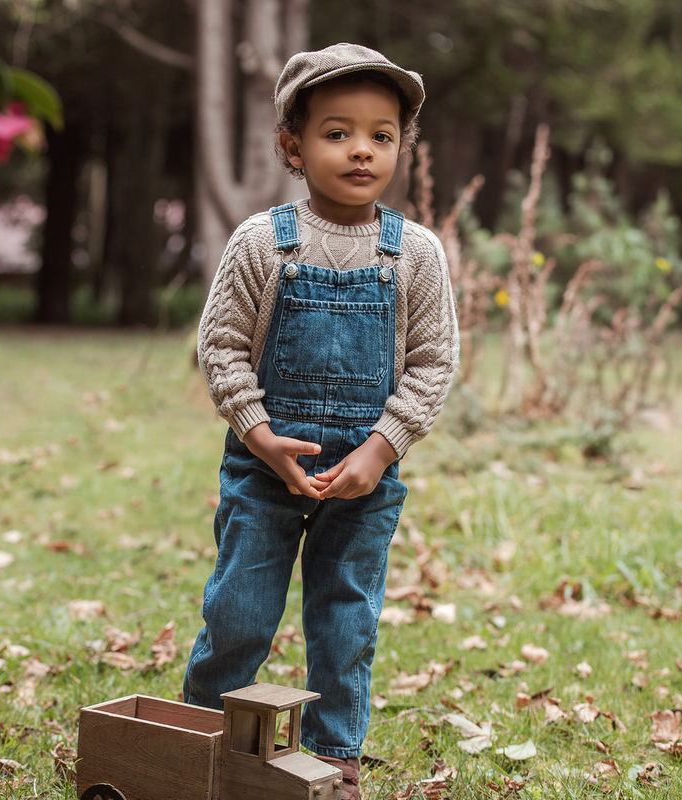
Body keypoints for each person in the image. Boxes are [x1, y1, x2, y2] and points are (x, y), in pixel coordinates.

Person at [183, 43, 459, 800]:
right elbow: (222, 348)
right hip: (264, 468)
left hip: (363, 478)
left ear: (403, 146)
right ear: (291, 146)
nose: (362, 149)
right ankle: (205, 737)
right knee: (238, 610)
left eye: (382, 134)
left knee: (345, 621)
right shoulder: (261, 244)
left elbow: (434, 364)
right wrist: (261, 436)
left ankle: (335, 756)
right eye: (337, 132)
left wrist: (383, 445)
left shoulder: (415, 256)